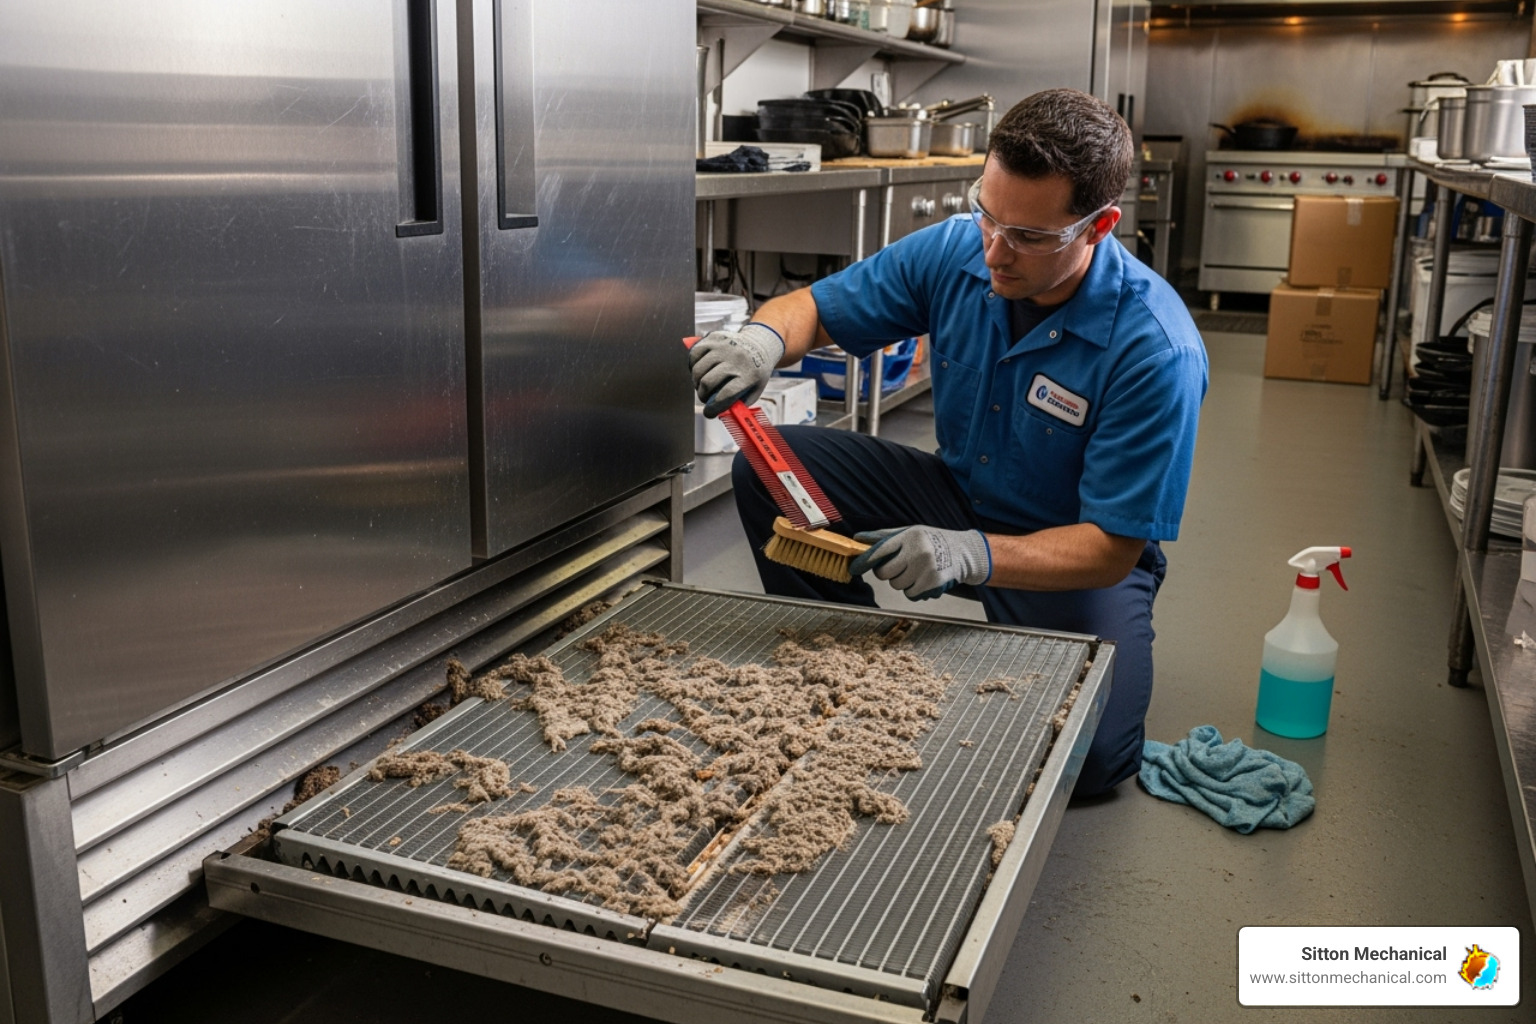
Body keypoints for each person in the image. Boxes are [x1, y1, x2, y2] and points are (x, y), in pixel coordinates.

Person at [688, 88, 1207, 796]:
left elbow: (1111, 546)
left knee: (1092, 763)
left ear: (1099, 226)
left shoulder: (1156, 350)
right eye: (987, 213)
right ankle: (845, 662)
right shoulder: (959, 249)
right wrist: (760, 342)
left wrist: (970, 554)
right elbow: (814, 308)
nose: (995, 250)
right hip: (958, 493)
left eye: (1029, 236)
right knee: (773, 468)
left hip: (1069, 549)